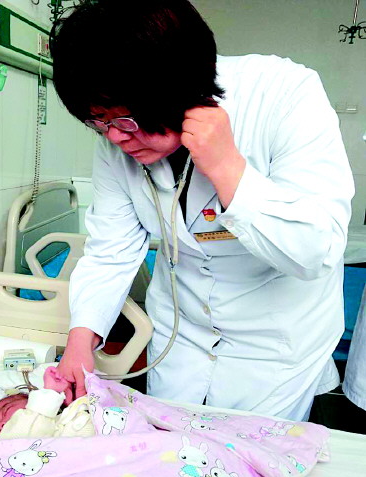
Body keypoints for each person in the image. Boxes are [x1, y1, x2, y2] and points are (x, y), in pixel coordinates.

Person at [49, 0, 354, 421]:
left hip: (274, 342)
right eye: (99, 122)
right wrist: (81, 340)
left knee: (252, 453)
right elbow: (110, 251)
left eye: (126, 120)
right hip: (183, 338)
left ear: (180, 91)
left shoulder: (283, 94)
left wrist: (228, 168)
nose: (115, 138)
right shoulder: (116, 138)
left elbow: (316, 250)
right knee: (172, 448)